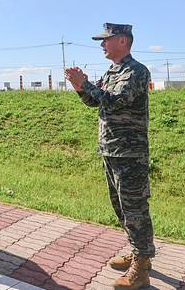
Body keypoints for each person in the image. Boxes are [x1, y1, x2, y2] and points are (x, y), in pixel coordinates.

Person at [64, 23, 154, 290]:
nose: (102, 45)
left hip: (130, 152)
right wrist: (79, 86)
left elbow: (114, 100)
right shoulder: (113, 70)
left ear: (123, 41)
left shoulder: (136, 70)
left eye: (106, 40)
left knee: (135, 209)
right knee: (121, 208)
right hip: (111, 149)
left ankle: (142, 265)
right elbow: (96, 101)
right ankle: (137, 251)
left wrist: (85, 83)